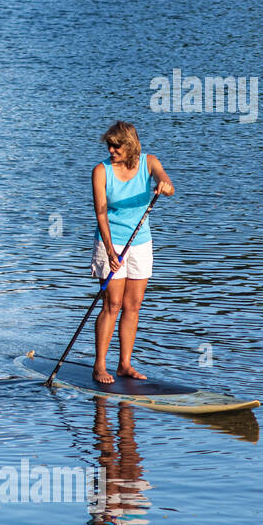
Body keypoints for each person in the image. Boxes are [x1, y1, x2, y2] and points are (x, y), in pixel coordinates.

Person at [91, 122, 174, 384]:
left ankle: (124, 364)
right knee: (112, 305)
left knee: (133, 306)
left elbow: (166, 180)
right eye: (109, 146)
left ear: (130, 146)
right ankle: (99, 366)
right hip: (111, 243)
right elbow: (101, 213)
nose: (112, 150)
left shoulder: (149, 162)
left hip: (140, 243)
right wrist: (109, 248)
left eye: (117, 146)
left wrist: (164, 185)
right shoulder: (101, 171)